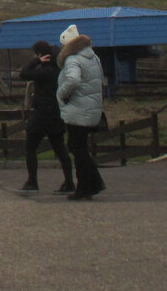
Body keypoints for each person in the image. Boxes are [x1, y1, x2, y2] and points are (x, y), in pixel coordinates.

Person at [56, 24, 106, 201]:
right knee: (79, 147)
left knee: (77, 148)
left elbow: (73, 80)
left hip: (78, 109)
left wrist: (61, 94)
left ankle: (85, 186)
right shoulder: (93, 57)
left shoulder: (72, 60)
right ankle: (94, 182)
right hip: (92, 108)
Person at [18, 40, 74, 193]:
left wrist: (36, 61)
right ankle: (69, 181)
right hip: (57, 114)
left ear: (41, 54)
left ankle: (32, 181)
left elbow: (23, 73)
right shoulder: (59, 69)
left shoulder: (45, 71)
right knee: (60, 149)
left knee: (30, 147)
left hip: (42, 114)